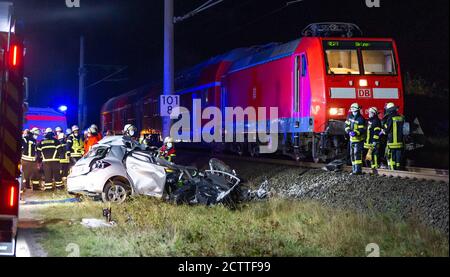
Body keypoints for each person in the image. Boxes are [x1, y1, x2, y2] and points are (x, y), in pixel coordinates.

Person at [381, 103, 405, 170]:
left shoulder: (390, 118)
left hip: (392, 142)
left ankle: (392, 171)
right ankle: (398, 169)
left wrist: (383, 128)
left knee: (391, 157)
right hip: (400, 142)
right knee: (398, 157)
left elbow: (387, 130)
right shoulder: (400, 117)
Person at [345, 103, 366, 175]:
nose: (354, 112)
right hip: (352, 140)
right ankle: (354, 169)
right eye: (353, 110)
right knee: (352, 155)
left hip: (358, 140)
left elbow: (362, 130)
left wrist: (355, 133)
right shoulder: (349, 116)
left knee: (357, 155)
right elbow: (346, 125)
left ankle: (358, 170)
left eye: (355, 111)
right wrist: (348, 131)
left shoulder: (361, 119)